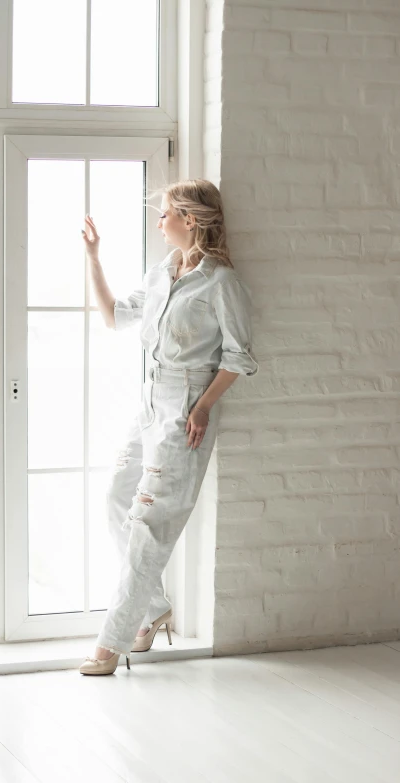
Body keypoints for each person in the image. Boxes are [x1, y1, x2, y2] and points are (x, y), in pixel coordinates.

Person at [79, 179, 259, 675]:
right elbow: (116, 317)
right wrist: (94, 258)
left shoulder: (221, 282)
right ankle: (153, 608)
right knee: (117, 497)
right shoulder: (162, 272)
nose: (159, 223)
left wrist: (202, 407)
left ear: (191, 220)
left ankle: (111, 642)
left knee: (148, 525)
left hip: (186, 410)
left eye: (165, 215)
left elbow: (240, 357)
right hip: (150, 403)